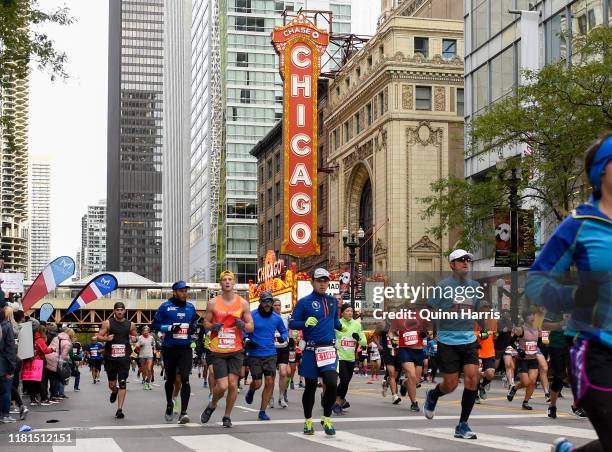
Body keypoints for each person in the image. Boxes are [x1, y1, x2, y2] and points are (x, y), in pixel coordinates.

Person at [526, 134, 612, 452]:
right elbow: (535, 282)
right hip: (595, 352)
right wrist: (576, 296)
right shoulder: (579, 224)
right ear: (602, 171)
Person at [423, 249, 482, 439]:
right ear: (452, 264)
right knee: (451, 384)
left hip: (469, 340)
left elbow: (480, 310)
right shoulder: (442, 286)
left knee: (473, 378)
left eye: (467, 260)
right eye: (461, 260)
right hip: (448, 341)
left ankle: (463, 424)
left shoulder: (475, 286)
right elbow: (429, 309)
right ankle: (433, 395)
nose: (465, 263)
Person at [289, 268, 345, 437]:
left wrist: (343, 327)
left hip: (328, 349)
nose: (323, 283)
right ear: (312, 282)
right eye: (319, 280)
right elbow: (292, 323)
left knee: (332, 383)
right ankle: (308, 421)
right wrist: (305, 323)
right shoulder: (304, 302)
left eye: (325, 280)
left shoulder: (333, 301)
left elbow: (335, 321)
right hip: (311, 350)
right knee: (311, 387)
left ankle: (326, 418)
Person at [200, 271, 254, 428]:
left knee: (232, 385)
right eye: (224, 279)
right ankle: (212, 404)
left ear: (234, 282)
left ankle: (227, 416)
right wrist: (212, 326)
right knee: (222, 386)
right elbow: (205, 322)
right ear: (220, 283)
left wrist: (243, 325)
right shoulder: (213, 303)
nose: (227, 282)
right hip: (218, 350)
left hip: (236, 349)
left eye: (230, 279)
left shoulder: (243, 303)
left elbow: (251, 327)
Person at [151, 281, 198, 423]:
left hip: (185, 348)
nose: (185, 293)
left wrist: (192, 328)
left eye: (186, 291)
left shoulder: (190, 307)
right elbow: (155, 325)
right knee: (170, 379)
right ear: (175, 292)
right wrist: (170, 328)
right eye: (182, 291)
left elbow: (195, 323)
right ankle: (169, 404)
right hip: (170, 348)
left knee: (185, 378)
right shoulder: (165, 307)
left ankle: (184, 412)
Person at [244, 291, 287, 420]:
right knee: (257, 383)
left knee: (269, 382)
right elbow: (243, 330)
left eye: (270, 302)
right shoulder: (252, 315)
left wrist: (282, 338)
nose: (267, 304)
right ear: (260, 302)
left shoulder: (276, 318)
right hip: (255, 354)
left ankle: (262, 411)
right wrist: (246, 340)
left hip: (270, 354)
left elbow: (283, 331)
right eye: (265, 302)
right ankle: (251, 390)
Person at [97, 302, 137, 419]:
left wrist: (135, 338)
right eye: (117, 310)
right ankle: (114, 391)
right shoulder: (107, 323)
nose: (120, 312)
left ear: (125, 311)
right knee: (112, 384)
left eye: (121, 310)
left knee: (123, 382)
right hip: (110, 357)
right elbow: (98, 336)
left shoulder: (131, 324)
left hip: (124, 357)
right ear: (114, 311)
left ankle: (119, 409)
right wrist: (106, 338)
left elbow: (135, 337)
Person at [334, 303, 366, 414]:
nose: (350, 313)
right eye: (347, 311)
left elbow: (364, 342)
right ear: (342, 313)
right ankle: (338, 403)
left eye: (351, 311)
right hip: (340, 356)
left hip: (351, 358)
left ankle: (337, 399)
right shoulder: (337, 323)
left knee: (346, 382)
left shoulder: (356, 325)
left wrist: (358, 338)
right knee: (344, 379)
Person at [474, 301, 496, 403]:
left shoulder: (493, 320)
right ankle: (475, 395)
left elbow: (494, 335)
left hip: (489, 351)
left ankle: (482, 386)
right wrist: (484, 332)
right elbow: (474, 335)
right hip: (477, 351)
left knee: (490, 374)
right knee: (477, 373)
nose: (487, 309)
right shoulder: (475, 321)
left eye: (488, 307)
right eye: (484, 307)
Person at [271, 297, 290, 408]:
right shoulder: (269, 318)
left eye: (279, 305)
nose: (277, 307)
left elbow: (290, 330)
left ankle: (281, 397)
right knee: (271, 375)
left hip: (284, 347)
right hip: (272, 348)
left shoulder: (286, 317)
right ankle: (270, 396)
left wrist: (291, 341)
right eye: (275, 305)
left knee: (283, 373)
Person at [0, 308, 17, 423]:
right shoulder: (7, 326)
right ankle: (5, 415)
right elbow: (10, 348)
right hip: (3, 363)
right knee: (6, 390)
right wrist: (11, 367)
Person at [136, 326, 155, 390]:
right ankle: (144, 381)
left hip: (150, 355)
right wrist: (139, 347)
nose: (146, 333)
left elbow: (153, 344)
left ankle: (148, 383)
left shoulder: (151, 338)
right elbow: (137, 348)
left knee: (149, 369)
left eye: (147, 332)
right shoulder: (140, 338)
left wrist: (154, 350)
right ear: (142, 332)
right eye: (144, 332)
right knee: (144, 371)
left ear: (149, 332)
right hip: (142, 356)